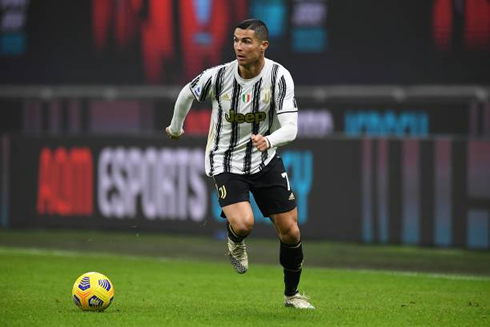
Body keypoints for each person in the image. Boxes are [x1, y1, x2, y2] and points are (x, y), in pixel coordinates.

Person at [166, 18, 314, 309]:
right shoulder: (220, 76)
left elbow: (291, 128)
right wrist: (175, 128)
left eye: (246, 41)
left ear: (263, 45)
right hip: (225, 160)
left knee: (291, 231)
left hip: (265, 159)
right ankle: (235, 240)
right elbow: (187, 92)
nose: (239, 47)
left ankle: (292, 295)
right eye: (236, 40)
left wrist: (269, 141)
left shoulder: (279, 77)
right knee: (244, 223)